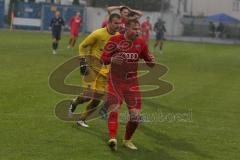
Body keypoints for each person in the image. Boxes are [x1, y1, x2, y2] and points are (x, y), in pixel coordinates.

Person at [101, 19, 155, 151]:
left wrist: (152, 61)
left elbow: (149, 61)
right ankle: (113, 138)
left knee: (135, 117)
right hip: (115, 82)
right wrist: (112, 59)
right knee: (114, 110)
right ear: (127, 28)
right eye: (135, 29)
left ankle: (127, 140)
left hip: (132, 84)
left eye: (139, 29)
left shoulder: (141, 43)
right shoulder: (115, 40)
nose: (138, 31)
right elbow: (103, 58)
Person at [68, 13, 121, 127]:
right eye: (116, 23)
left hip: (105, 72)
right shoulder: (97, 34)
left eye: (119, 23)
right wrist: (83, 63)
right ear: (109, 22)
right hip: (91, 69)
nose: (118, 25)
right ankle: (76, 102)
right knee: (89, 96)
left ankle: (81, 118)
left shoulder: (118, 37)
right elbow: (82, 46)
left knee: (97, 99)